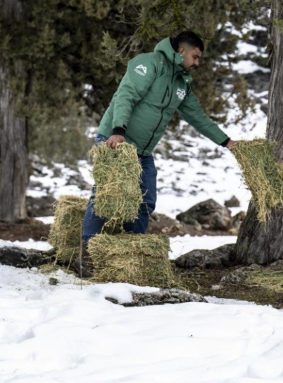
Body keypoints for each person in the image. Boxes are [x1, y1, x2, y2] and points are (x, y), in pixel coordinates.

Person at [74, 31, 236, 277]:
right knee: (105, 197)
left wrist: (226, 142)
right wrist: (117, 132)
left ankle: (127, 256)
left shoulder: (182, 83)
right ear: (181, 51)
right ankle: (86, 255)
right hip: (115, 141)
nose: (197, 63)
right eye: (195, 56)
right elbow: (126, 95)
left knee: (145, 201)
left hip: (143, 151)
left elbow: (198, 117)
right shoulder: (148, 63)